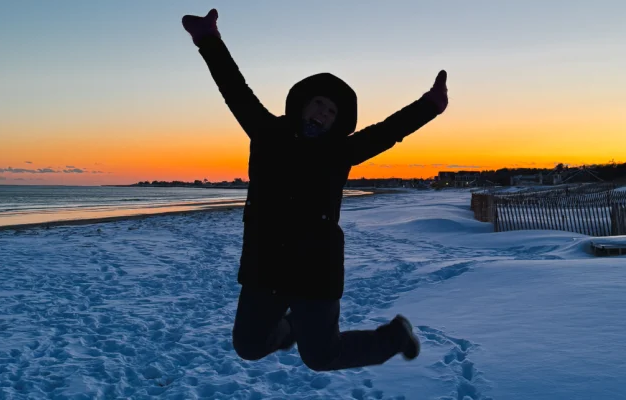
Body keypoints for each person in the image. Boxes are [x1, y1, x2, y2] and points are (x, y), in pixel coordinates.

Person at [182, 8, 448, 372]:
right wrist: (208, 39)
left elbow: (389, 131)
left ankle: (396, 336)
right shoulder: (266, 132)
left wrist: (430, 106)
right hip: (266, 263)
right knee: (248, 345)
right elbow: (234, 89)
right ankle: (290, 328)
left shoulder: (341, 151)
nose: (322, 114)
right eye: (319, 103)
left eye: (332, 112)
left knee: (322, 356)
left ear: (338, 123)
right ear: (303, 102)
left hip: (315, 269)